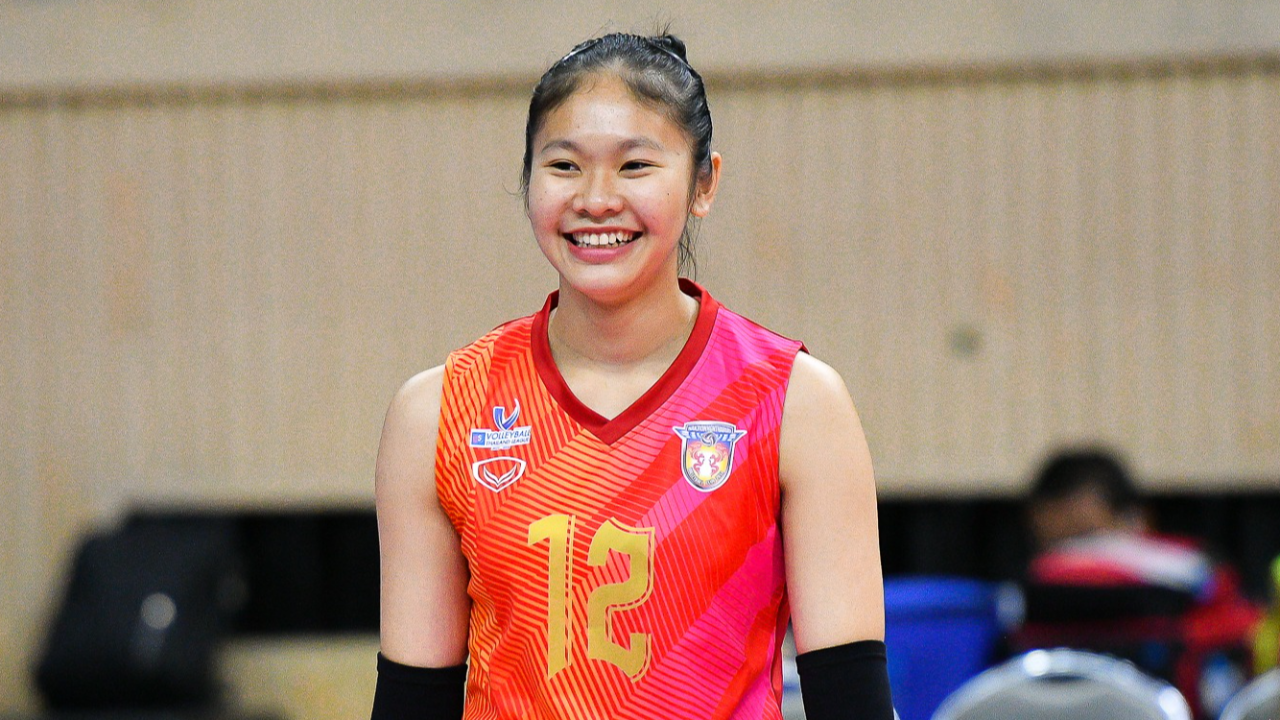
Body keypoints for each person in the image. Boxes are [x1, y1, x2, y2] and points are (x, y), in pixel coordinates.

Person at [370, 32, 893, 720]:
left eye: (635, 165)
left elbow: (852, 703)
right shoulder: (440, 410)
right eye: (564, 165)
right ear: (528, 179)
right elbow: (411, 704)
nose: (596, 199)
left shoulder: (795, 402)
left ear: (703, 183)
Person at [1018, 447, 1262, 717]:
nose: (1079, 556)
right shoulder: (1023, 593)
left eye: (1086, 533)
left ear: (1135, 518)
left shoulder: (1192, 571)